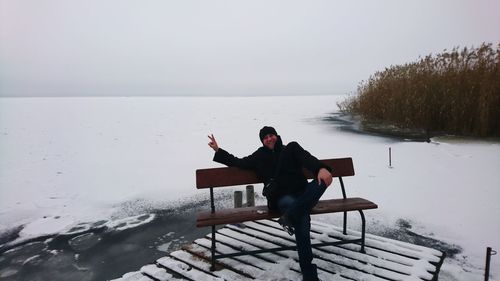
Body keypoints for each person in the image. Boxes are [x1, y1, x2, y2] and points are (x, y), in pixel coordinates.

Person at [207, 126, 333, 281]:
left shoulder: (291, 149)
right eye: (265, 137)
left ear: (277, 136)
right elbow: (238, 162)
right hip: (280, 199)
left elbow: (308, 158)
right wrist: (218, 150)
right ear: (262, 141)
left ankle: (291, 215)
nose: (269, 139)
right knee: (302, 217)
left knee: (322, 181)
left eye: (271, 135)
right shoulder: (259, 156)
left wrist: (320, 168)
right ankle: (309, 274)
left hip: (302, 194)